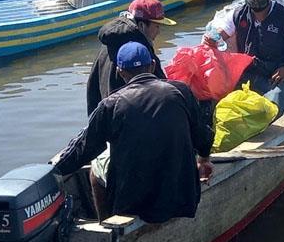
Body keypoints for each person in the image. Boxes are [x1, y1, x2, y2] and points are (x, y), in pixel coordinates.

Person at [53, 41, 214, 223]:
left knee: (95, 169)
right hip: (182, 197)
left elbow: (83, 149)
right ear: (152, 66)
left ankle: (108, 228)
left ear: (120, 71)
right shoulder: (181, 91)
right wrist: (204, 159)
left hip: (131, 202)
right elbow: (203, 135)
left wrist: (54, 171)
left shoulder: (111, 104)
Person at [86, 0, 173, 115]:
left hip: (106, 118)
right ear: (142, 26)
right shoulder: (141, 50)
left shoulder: (107, 42)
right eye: (156, 26)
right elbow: (161, 92)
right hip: (128, 121)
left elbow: (92, 89)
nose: (159, 31)